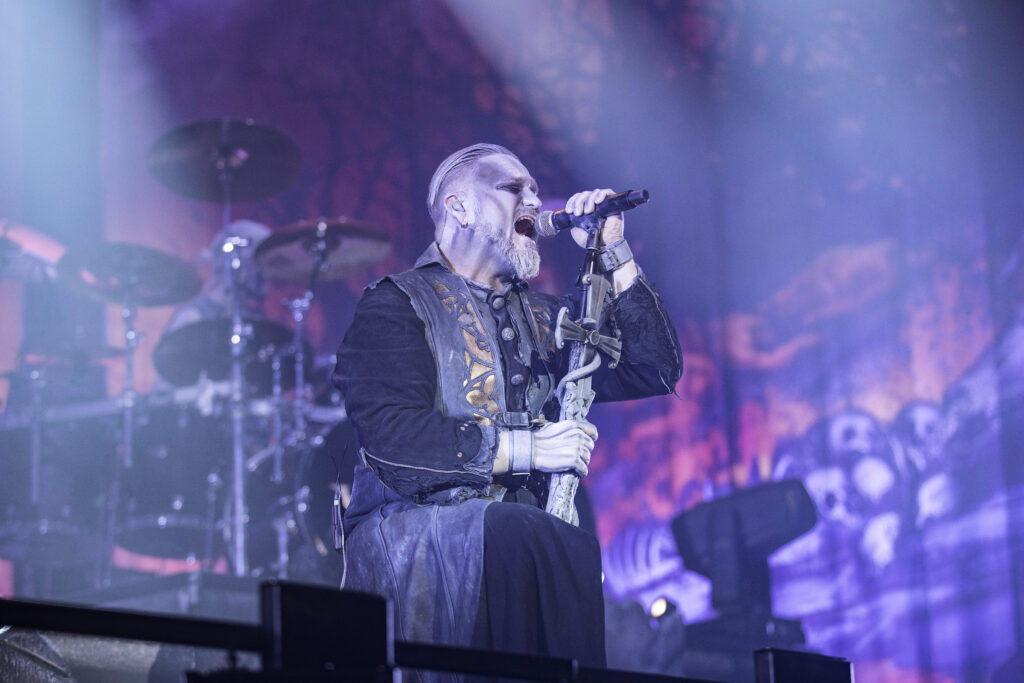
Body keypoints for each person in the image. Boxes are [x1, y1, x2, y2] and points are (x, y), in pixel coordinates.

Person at [333, 143, 682, 675]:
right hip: (417, 539)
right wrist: (528, 447)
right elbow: (393, 439)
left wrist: (612, 251)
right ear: (459, 208)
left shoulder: (548, 319)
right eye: (512, 188)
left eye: (535, 189)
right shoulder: (397, 304)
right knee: (525, 535)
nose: (534, 198)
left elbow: (653, 367)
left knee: (560, 543)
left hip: (522, 547)